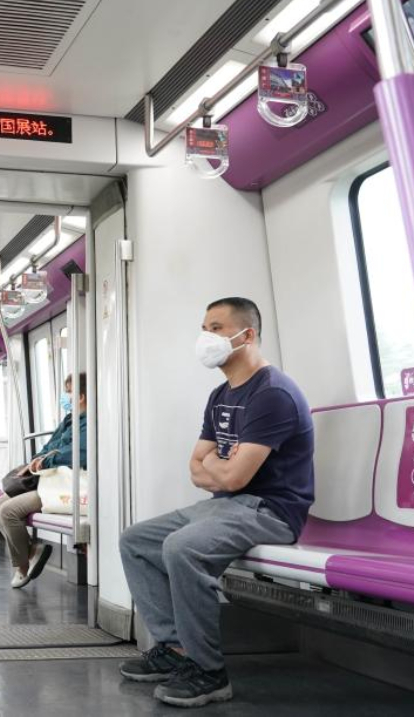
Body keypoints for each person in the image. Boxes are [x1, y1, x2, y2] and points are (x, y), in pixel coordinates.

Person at [118, 297, 314, 707]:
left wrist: (217, 467)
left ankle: (209, 672)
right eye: (204, 327)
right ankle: (175, 650)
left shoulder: (272, 393)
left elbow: (235, 476)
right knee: (136, 540)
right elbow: (196, 467)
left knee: (182, 547)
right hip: (228, 504)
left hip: (271, 510)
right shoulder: (221, 395)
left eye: (217, 327)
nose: (207, 337)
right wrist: (218, 467)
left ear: (248, 334)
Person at [0, 373, 86, 589]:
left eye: (68, 392)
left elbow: (79, 452)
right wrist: (34, 462)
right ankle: (31, 551)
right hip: (46, 480)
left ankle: (22, 566)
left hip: (62, 485)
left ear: (79, 396)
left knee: (8, 511)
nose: (65, 396)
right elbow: (49, 445)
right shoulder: (69, 420)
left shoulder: (88, 422)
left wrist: (46, 461)